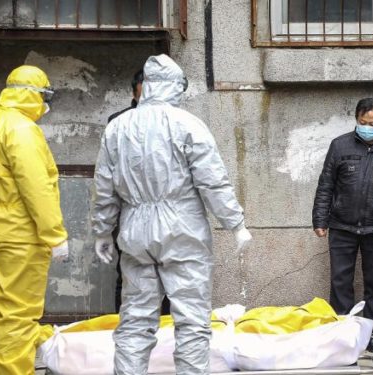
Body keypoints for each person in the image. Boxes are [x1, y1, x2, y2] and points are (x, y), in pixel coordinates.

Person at [91, 54, 253, 374]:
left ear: (146, 86)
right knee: (191, 318)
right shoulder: (188, 124)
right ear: (176, 86)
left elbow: (105, 185)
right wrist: (235, 224)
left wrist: (101, 229)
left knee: (135, 318)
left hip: (135, 228)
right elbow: (212, 181)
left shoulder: (118, 127)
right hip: (183, 229)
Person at [0, 65, 68, 374]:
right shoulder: (22, 129)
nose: (45, 105)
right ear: (32, 95)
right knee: (19, 316)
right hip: (20, 234)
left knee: (5, 312)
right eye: (44, 96)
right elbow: (35, 185)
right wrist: (55, 234)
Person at [312, 98, 373, 353]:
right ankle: (343, 331)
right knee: (340, 281)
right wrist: (320, 219)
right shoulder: (340, 146)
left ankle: (372, 332)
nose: (366, 127)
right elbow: (326, 185)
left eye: (372, 123)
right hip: (342, 226)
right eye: (362, 123)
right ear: (356, 120)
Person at [105, 68, 171, 314]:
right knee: (129, 275)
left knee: (169, 274)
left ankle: (166, 334)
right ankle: (126, 335)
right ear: (134, 94)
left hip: (168, 212)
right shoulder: (118, 123)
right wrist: (104, 224)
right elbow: (107, 175)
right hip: (129, 211)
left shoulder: (174, 121)